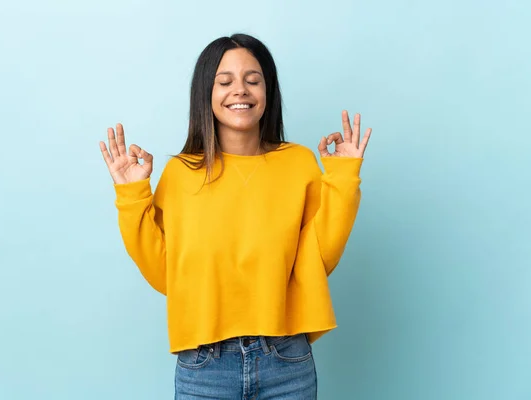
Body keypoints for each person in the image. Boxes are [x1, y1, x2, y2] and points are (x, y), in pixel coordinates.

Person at [99, 33, 371, 399]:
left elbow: (320, 257)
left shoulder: (299, 163)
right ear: (205, 95)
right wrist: (132, 194)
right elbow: (166, 274)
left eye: (253, 80)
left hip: (286, 359)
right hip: (205, 364)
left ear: (268, 91)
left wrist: (343, 175)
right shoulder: (182, 173)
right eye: (224, 82)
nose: (240, 90)